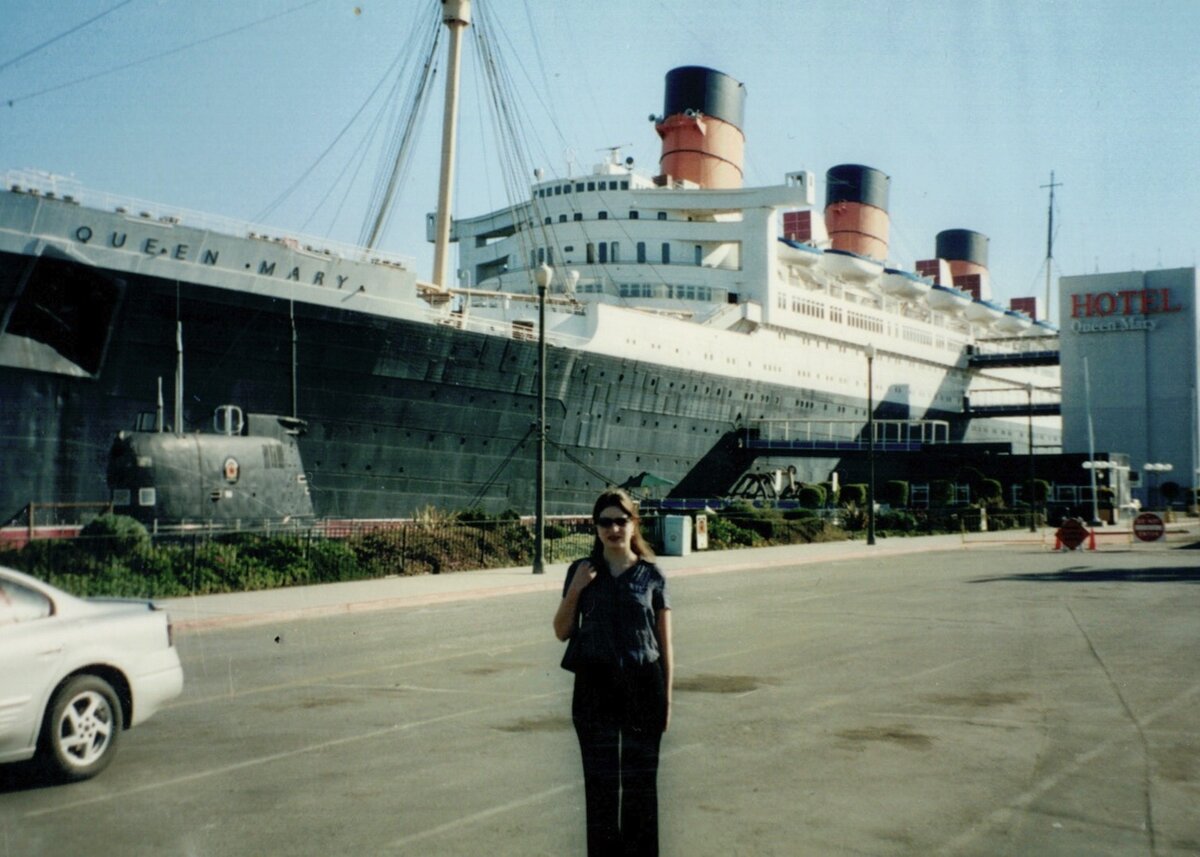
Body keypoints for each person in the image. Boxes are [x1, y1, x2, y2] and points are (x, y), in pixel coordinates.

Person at [553, 488, 673, 857]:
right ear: (595, 527)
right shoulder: (582, 570)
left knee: (640, 786)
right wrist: (575, 590)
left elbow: (665, 645)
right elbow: (561, 630)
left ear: (633, 523)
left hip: (642, 684)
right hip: (595, 685)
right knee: (600, 784)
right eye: (605, 522)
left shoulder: (652, 575)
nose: (613, 529)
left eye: (621, 521)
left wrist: (666, 699)